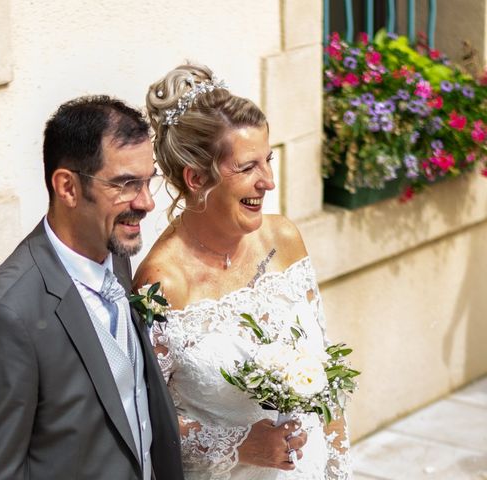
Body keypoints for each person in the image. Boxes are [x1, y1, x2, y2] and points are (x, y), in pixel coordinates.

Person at [133, 64, 352, 479]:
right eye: (248, 167)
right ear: (196, 178)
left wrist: (338, 469)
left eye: (267, 161)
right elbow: (147, 425)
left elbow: (328, 381)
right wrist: (237, 445)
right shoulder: (162, 285)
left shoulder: (283, 239)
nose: (267, 181)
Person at [0, 96, 185, 480]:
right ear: (67, 187)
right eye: (126, 184)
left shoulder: (118, 256)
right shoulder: (5, 315)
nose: (146, 203)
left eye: (148, 181)